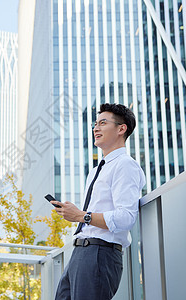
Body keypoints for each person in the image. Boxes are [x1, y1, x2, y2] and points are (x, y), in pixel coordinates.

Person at [51, 103, 146, 300]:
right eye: (95, 124)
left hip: (100, 253)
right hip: (80, 252)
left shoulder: (125, 165)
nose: (96, 128)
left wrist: (80, 215)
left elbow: (126, 218)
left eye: (103, 123)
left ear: (121, 129)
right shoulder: (96, 170)